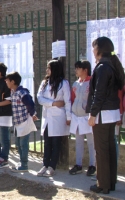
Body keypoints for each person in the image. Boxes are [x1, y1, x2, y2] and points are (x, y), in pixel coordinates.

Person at [87, 36, 124, 194]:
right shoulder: (111, 65)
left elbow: (99, 93)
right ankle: (110, 182)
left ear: (98, 49)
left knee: (101, 150)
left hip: (102, 113)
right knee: (109, 148)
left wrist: (93, 114)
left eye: (93, 47)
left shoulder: (102, 67)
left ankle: (102, 184)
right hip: (112, 113)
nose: (93, 50)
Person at [37, 59, 71, 177]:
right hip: (47, 116)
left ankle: (52, 166)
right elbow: (39, 98)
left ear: (55, 69)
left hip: (58, 117)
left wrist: (69, 117)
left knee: (56, 143)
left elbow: (67, 101)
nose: (47, 70)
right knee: (47, 143)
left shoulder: (64, 83)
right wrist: (54, 103)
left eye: (49, 68)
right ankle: (45, 165)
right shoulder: (44, 83)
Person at [5, 72, 36, 172]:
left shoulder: (22, 93)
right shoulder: (13, 92)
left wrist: (33, 114)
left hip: (24, 121)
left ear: (13, 81)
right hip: (17, 122)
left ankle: (24, 164)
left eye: (7, 80)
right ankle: (22, 162)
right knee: (18, 144)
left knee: (23, 144)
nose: (6, 81)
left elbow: (30, 103)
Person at [69, 60, 96, 176]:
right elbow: (72, 99)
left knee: (91, 142)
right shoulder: (75, 84)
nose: (76, 70)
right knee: (78, 141)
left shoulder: (91, 83)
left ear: (85, 70)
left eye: (78, 68)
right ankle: (78, 164)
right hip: (76, 116)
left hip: (87, 116)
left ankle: (92, 165)